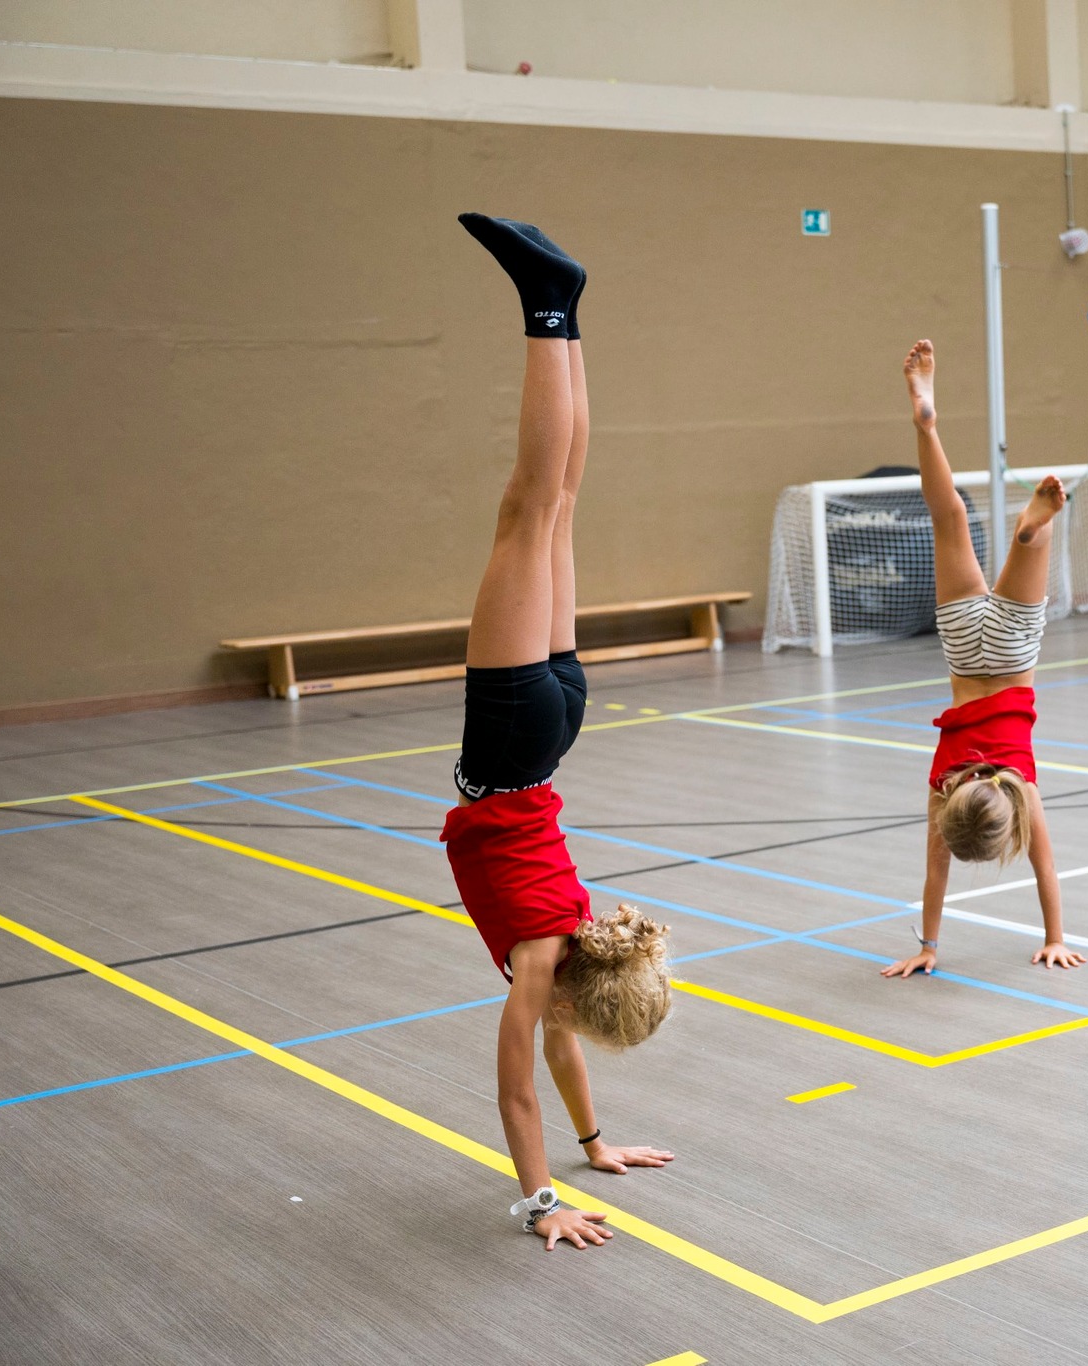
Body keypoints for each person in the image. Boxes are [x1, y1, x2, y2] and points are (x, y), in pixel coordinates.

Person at [438, 213, 677, 1244]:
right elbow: (516, 1092)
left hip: (556, 726)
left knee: (561, 504)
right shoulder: (539, 963)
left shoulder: (579, 934)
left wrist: (597, 1147)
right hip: (507, 745)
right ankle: (544, 301)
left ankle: (563, 310)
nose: (557, 1031)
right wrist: (543, 1203)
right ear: (576, 988)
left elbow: (560, 1057)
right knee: (529, 507)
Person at [881, 340, 1087, 978]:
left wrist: (1055, 936)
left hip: (1013, 650)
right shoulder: (944, 789)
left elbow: (1045, 868)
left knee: (1030, 551)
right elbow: (934, 871)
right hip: (964, 645)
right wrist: (929, 946)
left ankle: (1035, 531)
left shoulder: (1020, 787)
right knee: (948, 521)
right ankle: (927, 423)